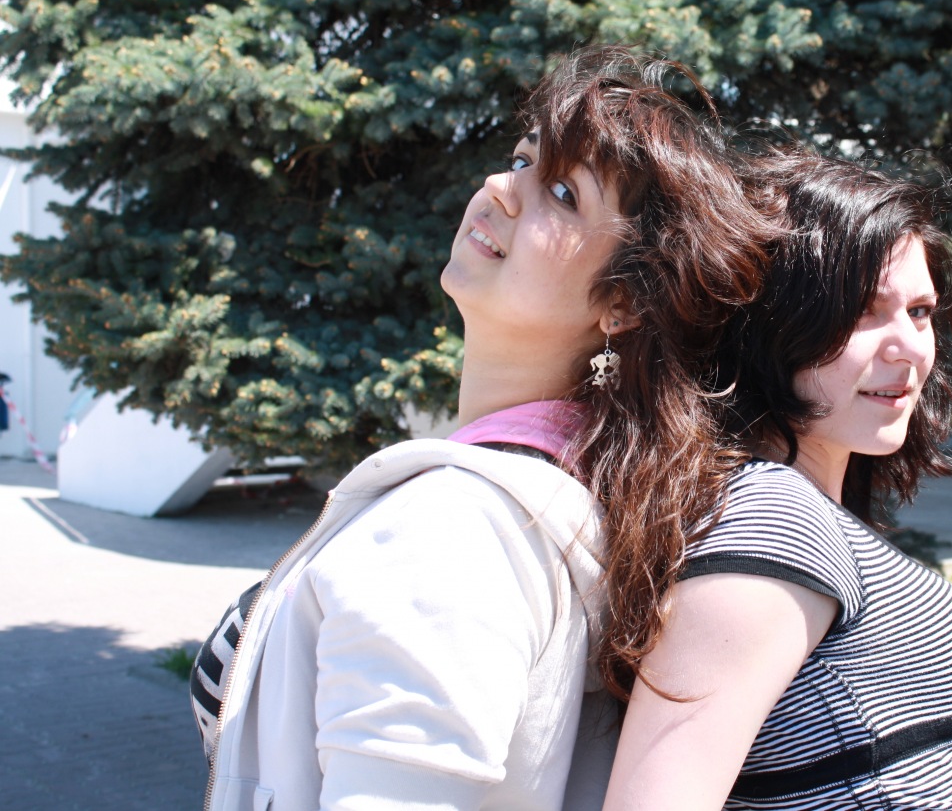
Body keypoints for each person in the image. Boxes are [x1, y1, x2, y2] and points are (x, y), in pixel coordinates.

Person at [191, 45, 776, 811]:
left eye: (562, 193)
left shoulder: (456, 528)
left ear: (623, 304)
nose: (501, 187)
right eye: (521, 158)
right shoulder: (573, 494)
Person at [601, 151, 952, 810]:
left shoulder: (792, 508)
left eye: (921, 311)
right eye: (865, 311)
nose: (909, 347)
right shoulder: (771, 518)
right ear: (773, 324)